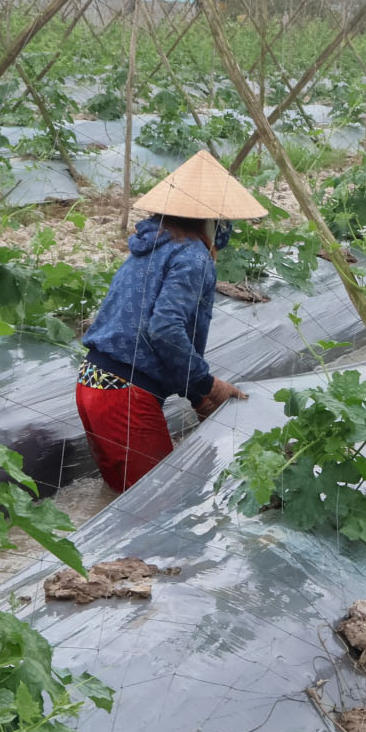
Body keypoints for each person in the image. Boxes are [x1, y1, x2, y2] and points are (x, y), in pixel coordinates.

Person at [77, 149, 269, 492]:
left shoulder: (152, 244)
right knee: (159, 502)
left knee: (124, 500)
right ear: (212, 221)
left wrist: (198, 396)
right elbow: (164, 329)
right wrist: (209, 385)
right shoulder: (193, 255)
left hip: (93, 383)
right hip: (125, 393)